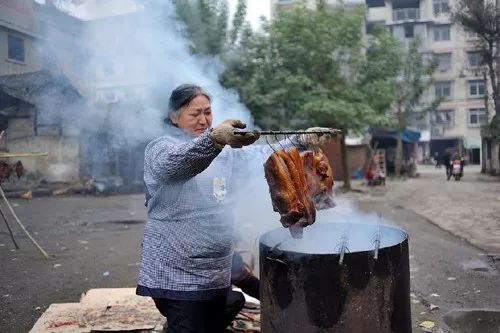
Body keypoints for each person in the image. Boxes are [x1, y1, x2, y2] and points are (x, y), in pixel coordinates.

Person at [136, 84, 332, 333]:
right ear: (174, 117)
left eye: (207, 112)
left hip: (216, 271)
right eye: (195, 114)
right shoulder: (160, 149)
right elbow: (179, 164)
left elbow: (264, 155)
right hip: (178, 275)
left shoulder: (224, 153)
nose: (203, 120)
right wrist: (214, 139)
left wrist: (299, 141)